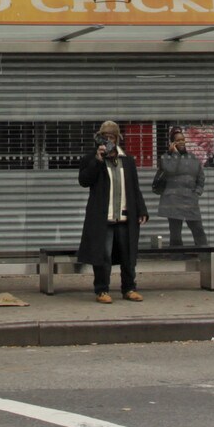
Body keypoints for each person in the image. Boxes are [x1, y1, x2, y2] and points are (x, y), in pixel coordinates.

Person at [76, 120, 145, 303]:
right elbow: (84, 181)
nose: (108, 140)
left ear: (117, 139)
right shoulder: (91, 159)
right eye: (105, 137)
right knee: (103, 255)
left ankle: (129, 288)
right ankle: (101, 290)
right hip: (103, 217)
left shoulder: (127, 160)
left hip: (125, 216)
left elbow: (134, 188)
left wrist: (141, 209)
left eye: (112, 137)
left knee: (128, 255)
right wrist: (97, 161)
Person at [153, 127, 208, 251]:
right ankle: (177, 257)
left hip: (190, 200)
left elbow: (201, 177)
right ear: (172, 143)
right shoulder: (165, 158)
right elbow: (171, 170)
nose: (182, 142)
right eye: (178, 140)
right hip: (172, 200)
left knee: (198, 229)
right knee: (175, 232)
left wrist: (197, 192)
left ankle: (205, 255)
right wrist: (175, 154)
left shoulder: (193, 158)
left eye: (183, 139)